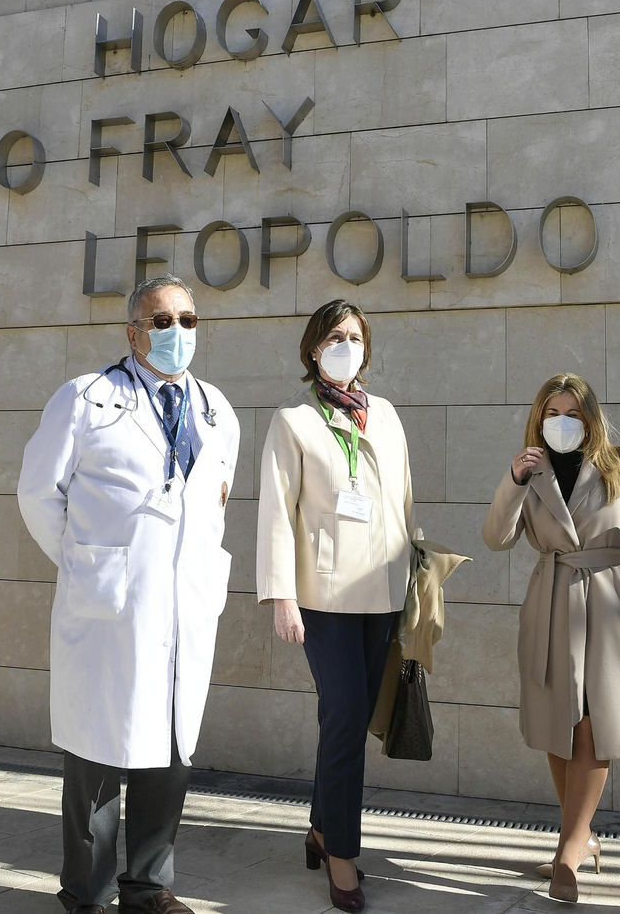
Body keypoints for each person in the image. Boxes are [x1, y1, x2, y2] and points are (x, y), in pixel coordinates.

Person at [19, 274, 240, 914]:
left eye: (188, 321)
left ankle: (148, 885)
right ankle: (85, 891)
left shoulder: (216, 409)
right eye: (163, 320)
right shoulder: (86, 398)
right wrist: (87, 563)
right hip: (110, 605)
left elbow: (212, 505)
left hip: (184, 606)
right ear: (133, 331)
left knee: (169, 748)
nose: (177, 333)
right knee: (97, 752)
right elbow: (38, 494)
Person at [481, 373, 620, 904]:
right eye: (553, 413)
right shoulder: (530, 468)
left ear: (590, 417)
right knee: (558, 724)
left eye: (573, 413)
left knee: (595, 721)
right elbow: (496, 537)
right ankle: (582, 837)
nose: (562, 423)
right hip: (552, 601)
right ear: (539, 417)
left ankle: (569, 849)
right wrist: (513, 480)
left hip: (611, 601)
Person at [257, 300, 419, 913]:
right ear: (312, 349)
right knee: (348, 712)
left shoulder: (387, 416)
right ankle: (343, 856)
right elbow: (277, 512)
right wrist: (281, 595)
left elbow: (403, 502)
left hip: (381, 593)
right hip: (321, 597)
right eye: (334, 337)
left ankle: (321, 827)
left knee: (345, 720)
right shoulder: (293, 420)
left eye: (355, 337)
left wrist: (411, 586)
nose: (346, 346)